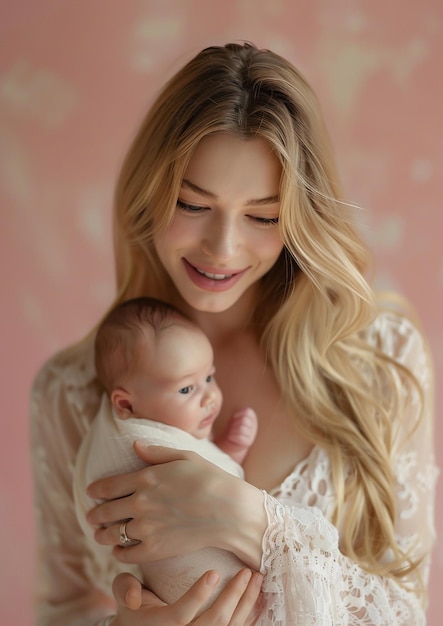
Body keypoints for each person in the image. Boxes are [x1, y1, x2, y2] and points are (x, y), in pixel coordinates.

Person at [30, 41, 438, 626]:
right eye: (193, 204)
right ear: (150, 193)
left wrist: (252, 522)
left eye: (263, 216)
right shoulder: (72, 392)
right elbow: (62, 611)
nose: (222, 249)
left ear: (299, 218)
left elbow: (404, 613)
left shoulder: (379, 356)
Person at [74, 296, 258, 613]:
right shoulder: (138, 445)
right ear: (125, 405)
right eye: (187, 389)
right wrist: (233, 454)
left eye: (209, 377)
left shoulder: (156, 421)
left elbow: (213, 493)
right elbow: (221, 483)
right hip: (199, 599)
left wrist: (228, 448)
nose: (210, 396)